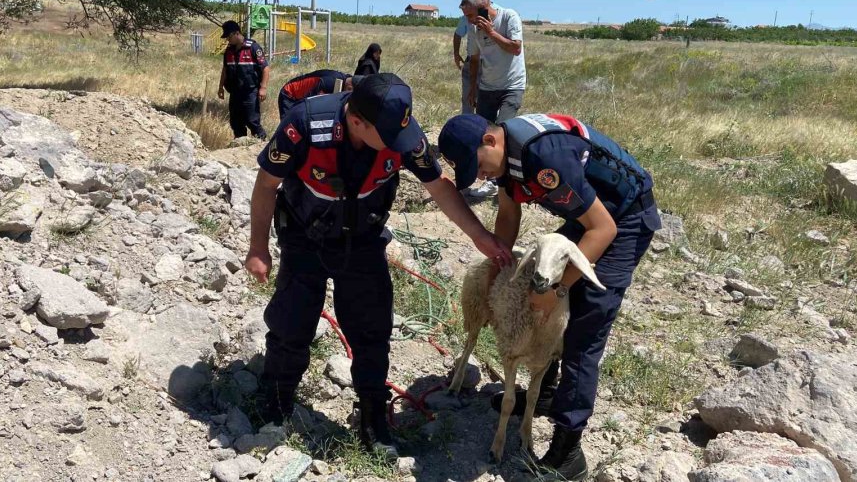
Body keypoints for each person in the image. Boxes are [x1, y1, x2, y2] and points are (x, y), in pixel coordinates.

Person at [245, 74, 513, 459]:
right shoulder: (305, 125)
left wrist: (478, 235)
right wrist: (258, 249)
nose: (397, 146)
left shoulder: (401, 131)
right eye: (387, 137)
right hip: (306, 237)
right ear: (357, 121)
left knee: (372, 329)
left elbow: (438, 186)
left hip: (364, 239)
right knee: (292, 322)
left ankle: (373, 415)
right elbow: (266, 185)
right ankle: (276, 399)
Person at [438, 113, 661, 480]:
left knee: (582, 328)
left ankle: (568, 450)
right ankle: (543, 394)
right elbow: (508, 216)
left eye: (477, 165)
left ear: (490, 142)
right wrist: (496, 275)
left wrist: (559, 291)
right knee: (534, 284)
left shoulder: (544, 159)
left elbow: (603, 229)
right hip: (589, 211)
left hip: (623, 218)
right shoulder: (506, 160)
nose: (479, 176)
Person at [460, 0, 526, 125]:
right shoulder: (473, 29)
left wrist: (491, 32)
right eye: (465, 16)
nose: (468, 20)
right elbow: (474, 59)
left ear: (484, 9)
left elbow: (516, 48)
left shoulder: (509, 16)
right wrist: (473, 89)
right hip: (487, 87)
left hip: (512, 85)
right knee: (483, 128)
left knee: (502, 129)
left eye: (470, 15)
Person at [218, 20, 270, 139]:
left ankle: (260, 144)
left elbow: (265, 68)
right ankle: (239, 146)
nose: (227, 40)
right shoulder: (229, 51)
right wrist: (220, 87)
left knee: (252, 121)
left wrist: (263, 88)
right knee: (236, 123)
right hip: (234, 92)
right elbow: (225, 69)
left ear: (236, 33)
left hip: (250, 92)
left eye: (228, 36)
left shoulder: (253, 47)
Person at [453, 0, 498, 116]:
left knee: (487, 102)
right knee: (468, 99)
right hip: (472, 61)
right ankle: (466, 128)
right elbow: (458, 33)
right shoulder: (467, 15)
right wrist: (456, 53)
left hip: (490, 65)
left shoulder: (498, 13)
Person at [277, 69, 359, 119]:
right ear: (349, 88)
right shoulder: (330, 83)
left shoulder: (347, 79)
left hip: (301, 96)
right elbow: (310, 102)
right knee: (288, 128)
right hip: (289, 94)